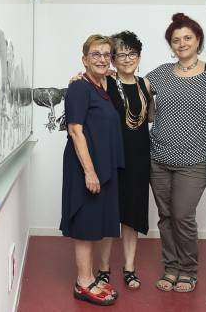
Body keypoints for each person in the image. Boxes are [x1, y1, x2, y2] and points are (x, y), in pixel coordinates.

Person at [145, 13, 206, 294]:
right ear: (170, 45)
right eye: (176, 40)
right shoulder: (161, 72)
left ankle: (188, 269)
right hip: (158, 157)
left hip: (194, 160)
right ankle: (170, 267)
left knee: (182, 215)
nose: (182, 43)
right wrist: (87, 78)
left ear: (198, 40)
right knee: (165, 215)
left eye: (187, 38)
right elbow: (128, 90)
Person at [60, 34, 124, 306]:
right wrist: (89, 171)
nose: (101, 59)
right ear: (84, 59)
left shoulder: (101, 86)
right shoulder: (79, 88)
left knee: (96, 223)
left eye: (106, 54)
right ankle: (83, 283)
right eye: (95, 54)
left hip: (102, 167)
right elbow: (76, 131)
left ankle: (88, 277)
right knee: (86, 225)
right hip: (85, 168)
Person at [94, 31, 153, 292]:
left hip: (139, 156)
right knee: (109, 214)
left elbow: (149, 117)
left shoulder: (145, 84)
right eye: (121, 54)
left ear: (139, 57)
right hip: (112, 157)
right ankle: (104, 269)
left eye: (132, 54)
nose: (127, 59)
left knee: (132, 216)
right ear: (113, 59)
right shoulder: (105, 82)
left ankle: (129, 267)